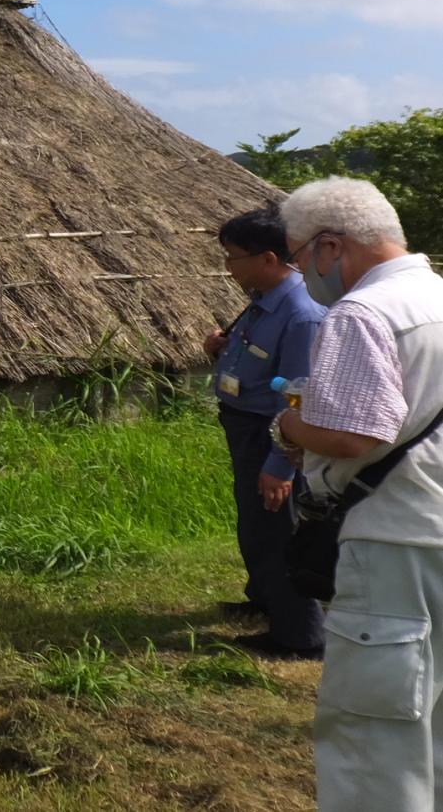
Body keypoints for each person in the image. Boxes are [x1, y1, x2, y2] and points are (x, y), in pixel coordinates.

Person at [273, 177, 443, 811]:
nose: (301, 274)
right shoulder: (436, 297)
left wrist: (287, 423)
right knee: (435, 727)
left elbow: (353, 433)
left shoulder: (364, 312)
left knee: (375, 735)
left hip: (395, 538)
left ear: (329, 247)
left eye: (298, 258)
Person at [200, 208, 325, 657]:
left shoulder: (301, 314)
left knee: (277, 532)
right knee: (255, 525)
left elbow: (298, 397)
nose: (227, 266)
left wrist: (280, 464)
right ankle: (266, 601)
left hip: (269, 434)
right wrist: (221, 349)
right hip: (245, 426)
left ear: (268, 257)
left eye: (233, 256)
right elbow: (257, 360)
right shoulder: (262, 299)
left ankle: (301, 636)